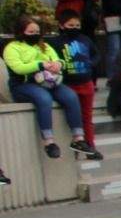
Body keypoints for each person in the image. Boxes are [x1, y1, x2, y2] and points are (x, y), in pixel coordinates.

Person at [5, 15, 96, 160]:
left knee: (71, 96)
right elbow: (18, 68)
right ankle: (49, 141)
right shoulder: (12, 48)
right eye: (31, 32)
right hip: (23, 84)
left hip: (48, 81)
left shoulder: (44, 46)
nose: (35, 35)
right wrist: (40, 64)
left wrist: (58, 64)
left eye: (37, 32)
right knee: (44, 98)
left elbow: (57, 59)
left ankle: (78, 138)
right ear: (21, 32)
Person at [51, 10, 99, 151]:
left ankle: (90, 145)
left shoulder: (85, 39)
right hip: (68, 84)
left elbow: (96, 55)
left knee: (87, 116)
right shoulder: (55, 42)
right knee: (73, 116)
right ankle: (77, 144)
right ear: (61, 25)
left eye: (77, 25)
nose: (74, 27)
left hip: (86, 82)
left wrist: (91, 64)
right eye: (70, 25)